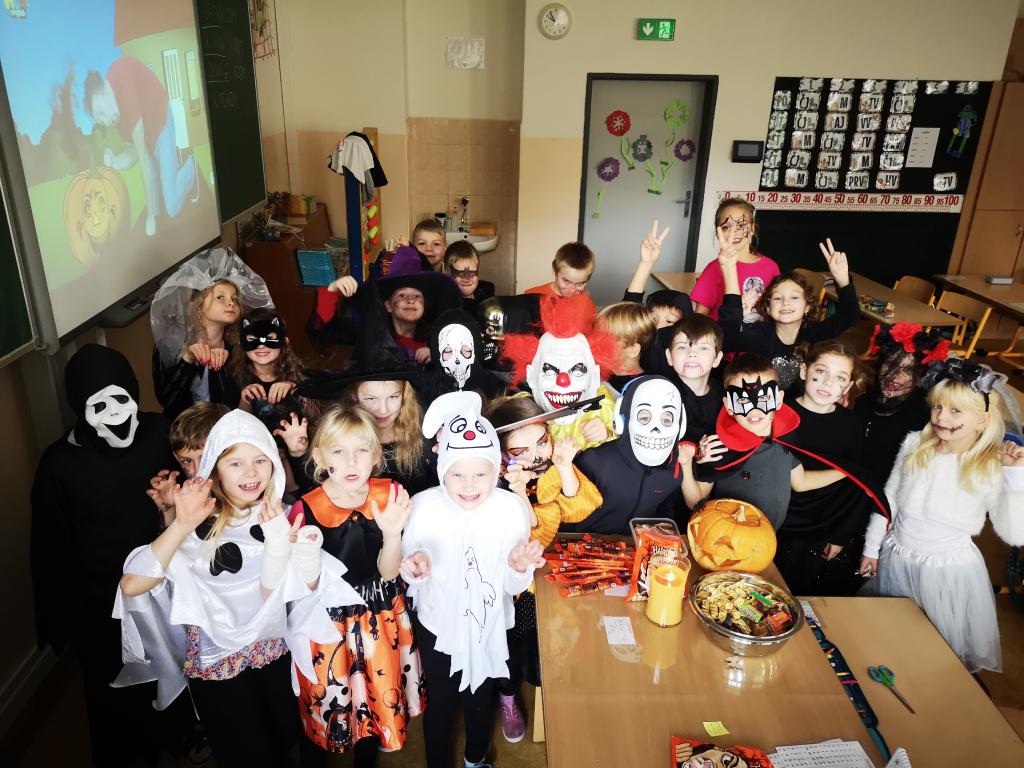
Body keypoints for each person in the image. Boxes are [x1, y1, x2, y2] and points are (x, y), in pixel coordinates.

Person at [114, 410, 361, 768]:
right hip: (217, 665)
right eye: (235, 463)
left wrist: (294, 547)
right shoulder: (195, 521)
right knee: (244, 753)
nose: (250, 473)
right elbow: (133, 584)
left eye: (260, 460)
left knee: (283, 737)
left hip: (272, 652)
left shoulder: (284, 514)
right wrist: (181, 524)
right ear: (215, 467)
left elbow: (304, 588)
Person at [31, 344, 179, 767]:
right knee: (116, 693)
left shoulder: (159, 432)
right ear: (80, 407)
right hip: (103, 606)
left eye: (120, 399)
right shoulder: (59, 465)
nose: (114, 414)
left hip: (166, 587)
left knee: (174, 666)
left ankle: (177, 736)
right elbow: (51, 546)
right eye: (99, 405)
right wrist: (62, 616)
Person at [401, 392, 545, 768]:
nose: (469, 485)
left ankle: (476, 758)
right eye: (457, 474)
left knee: (480, 699)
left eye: (480, 473)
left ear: (495, 470)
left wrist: (517, 567)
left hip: (487, 626)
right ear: (442, 471)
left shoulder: (510, 510)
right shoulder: (422, 507)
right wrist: (416, 567)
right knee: (441, 702)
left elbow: (512, 588)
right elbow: (411, 570)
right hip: (438, 626)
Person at [860, 359, 1024, 673]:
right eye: (937, 406)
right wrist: (871, 546)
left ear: (982, 419)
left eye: (955, 411)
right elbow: (890, 497)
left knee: (932, 653)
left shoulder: (989, 464)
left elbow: (1014, 533)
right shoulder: (915, 444)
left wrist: (1016, 477)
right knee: (891, 638)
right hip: (898, 560)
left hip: (944, 575)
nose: (941, 417)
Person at [286, 407, 425, 766]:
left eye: (362, 450)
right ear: (320, 457)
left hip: (381, 616)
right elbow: (304, 584)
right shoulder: (305, 509)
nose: (351, 461)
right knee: (327, 700)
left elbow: (388, 573)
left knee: (374, 701)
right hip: (328, 626)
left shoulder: (390, 495)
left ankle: (367, 759)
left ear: (376, 454)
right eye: (338, 451)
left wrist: (392, 534)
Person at [484, 395, 602, 743]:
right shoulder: (487, 484)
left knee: (542, 640)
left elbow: (579, 508)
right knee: (506, 644)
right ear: (500, 453)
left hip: (540, 578)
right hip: (503, 585)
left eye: (542, 442)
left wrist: (564, 465)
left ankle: (545, 687)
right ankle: (507, 695)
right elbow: (530, 530)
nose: (536, 455)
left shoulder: (547, 471)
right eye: (520, 450)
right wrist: (519, 492)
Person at [682, 354, 846, 530]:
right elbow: (695, 502)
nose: (754, 410)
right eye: (743, 400)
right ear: (729, 405)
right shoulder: (718, 447)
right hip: (724, 537)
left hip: (768, 538)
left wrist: (846, 473)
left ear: (778, 400)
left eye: (764, 399)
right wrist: (685, 463)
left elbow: (800, 482)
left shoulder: (786, 438)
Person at [774, 342, 885, 595]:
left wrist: (840, 535)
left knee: (804, 594)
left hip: (823, 524)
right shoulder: (780, 414)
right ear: (804, 371)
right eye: (821, 371)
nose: (828, 383)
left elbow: (856, 484)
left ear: (847, 387)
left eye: (840, 378)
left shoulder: (852, 423)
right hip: (778, 520)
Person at [718, 238, 859, 390]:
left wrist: (843, 280)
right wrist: (729, 269)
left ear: (807, 306)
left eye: (794, 297)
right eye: (778, 298)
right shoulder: (761, 335)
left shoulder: (814, 333)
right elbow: (725, 341)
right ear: (768, 308)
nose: (786, 302)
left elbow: (849, 316)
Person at [151, 248, 273, 421]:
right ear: (198, 307)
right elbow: (166, 400)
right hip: (183, 431)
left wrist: (219, 368)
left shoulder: (238, 350)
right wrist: (188, 359)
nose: (231, 303)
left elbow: (237, 404)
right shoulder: (170, 344)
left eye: (235, 299)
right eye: (220, 297)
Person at [84, 57, 199, 237]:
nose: (107, 121)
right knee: (158, 200)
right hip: (148, 144)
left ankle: (191, 166)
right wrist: (115, 162)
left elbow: (143, 159)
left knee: (171, 207)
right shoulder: (118, 119)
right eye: (102, 120)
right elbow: (133, 153)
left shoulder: (122, 78)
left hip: (161, 125)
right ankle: (172, 161)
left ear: (105, 87)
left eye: (103, 111)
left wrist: (150, 217)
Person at [569, 375, 688, 534]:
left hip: (637, 546)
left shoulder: (674, 473)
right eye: (644, 417)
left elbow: (665, 513)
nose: (655, 429)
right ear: (621, 419)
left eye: (667, 420)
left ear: (681, 424)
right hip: (585, 545)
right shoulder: (595, 461)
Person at [855, 323, 949, 483]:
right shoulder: (863, 403)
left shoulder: (923, 418)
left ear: (920, 375)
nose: (894, 376)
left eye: (908, 370)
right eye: (890, 364)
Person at [690, 198, 779, 321]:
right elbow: (699, 317)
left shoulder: (770, 267)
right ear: (718, 233)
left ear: (752, 229)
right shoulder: (714, 268)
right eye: (726, 227)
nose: (734, 232)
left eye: (741, 225)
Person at [233, 308, 319, 433]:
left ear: (284, 342)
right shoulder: (233, 377)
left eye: (270, 337)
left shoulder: (301, 375)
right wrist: (245, 400)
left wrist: (295, 389)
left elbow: (317, 418)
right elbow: (234, 428)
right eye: (252, 339)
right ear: (241, 343)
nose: (261, 346)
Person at [148, 401, 231, 526]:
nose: (198, 471)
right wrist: (170, 510)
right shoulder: (188, 498)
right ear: (177, 458)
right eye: (187, 461)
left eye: (205, 458)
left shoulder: (248, 493)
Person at [664, 314, 726, 444]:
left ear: (717, 359)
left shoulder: (723, 395)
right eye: (682, 347)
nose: (692, 354)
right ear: (669, 356)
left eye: (703, 348)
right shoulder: (661, 395)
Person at [597, 302, 657, 392]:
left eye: (607, 339)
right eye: (597, 336)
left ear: (633, 350)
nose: (597, 342)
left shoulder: (646, 388)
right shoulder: (595, 372)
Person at [524, 242, 596, 298]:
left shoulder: (584, 300)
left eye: (580, 284)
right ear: (554, 271)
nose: (572, 290)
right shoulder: (530, 297)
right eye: (566, 281)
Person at [445, 239, 495, 315]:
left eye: (472, 273)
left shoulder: (486, 294)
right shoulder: (446, 305)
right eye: (460, 273)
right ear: (447, 274)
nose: (467, 279)